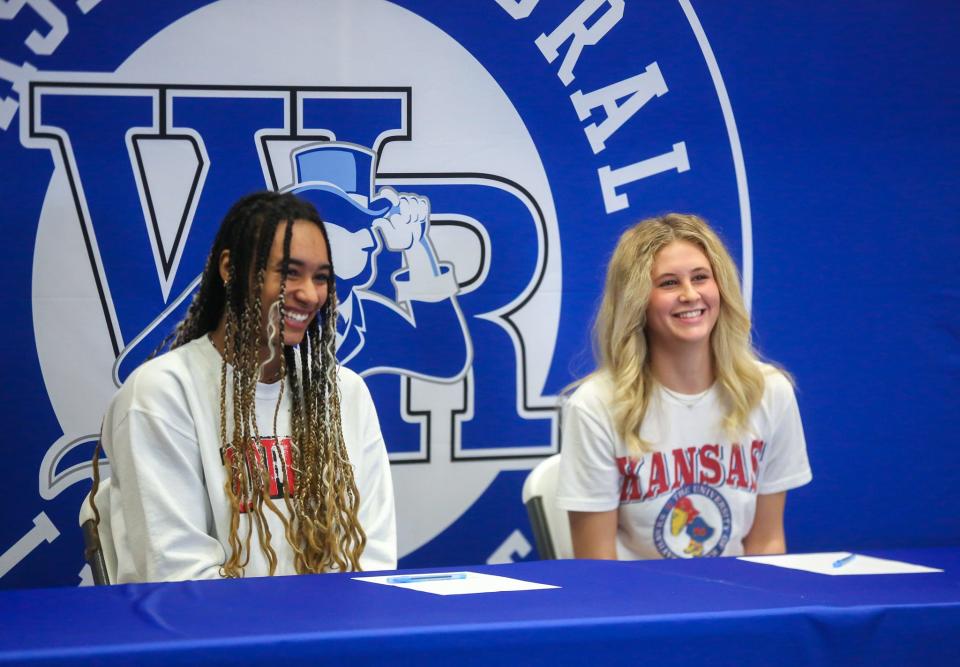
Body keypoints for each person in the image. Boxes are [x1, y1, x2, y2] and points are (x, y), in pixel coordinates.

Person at [89, 191, 396, 582]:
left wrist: (328, 631)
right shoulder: (161, 394)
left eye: (321, 277)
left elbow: (371, 559)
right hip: (204, 638)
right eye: (289, 272)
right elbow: (178, 576)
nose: (309, 293)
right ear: (231, 269)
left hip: (329, 635)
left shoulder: (344, 393)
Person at [556, 213, 811, 559]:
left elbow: (766, 544)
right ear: (637, 301)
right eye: (669, 283)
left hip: (737, 604)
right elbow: (597, 566)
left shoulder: (768, 392)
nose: (690, 295)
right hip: (640, 607)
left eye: (701, 278)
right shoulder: (596, 405)